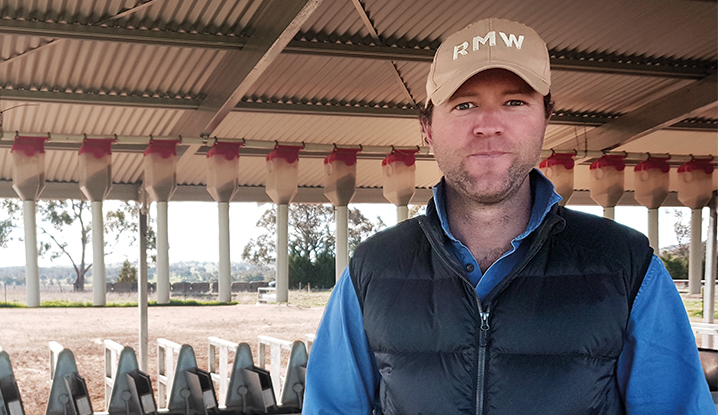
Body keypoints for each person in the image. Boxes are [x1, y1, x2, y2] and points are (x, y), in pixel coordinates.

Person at [301, 18, 714, 415]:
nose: (488, 126)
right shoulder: (374, 268)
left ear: (546, 118)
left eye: (515, 102)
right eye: (464, 105)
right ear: (426, 128)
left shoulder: (626, 265)